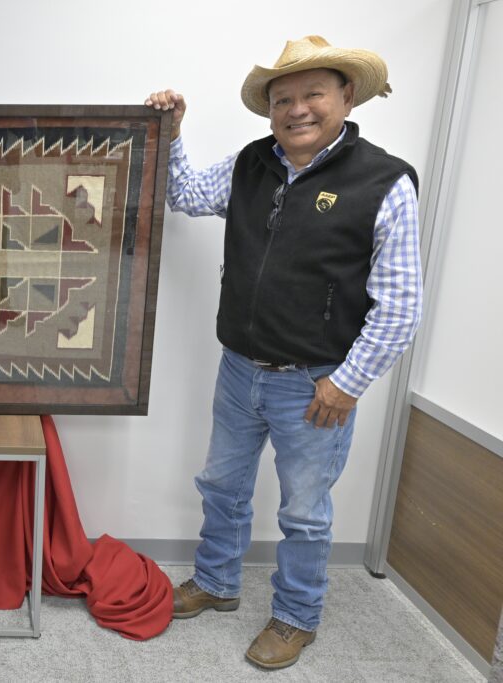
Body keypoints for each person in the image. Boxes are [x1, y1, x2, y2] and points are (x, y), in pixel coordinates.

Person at [145, 35, 422, 669]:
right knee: (222, 483)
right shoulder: (253, 162)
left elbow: (401, 305)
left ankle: (297, 617)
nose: (296, 109)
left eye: (312, 95)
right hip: (240, 368)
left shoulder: (384, 182)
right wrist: (174, 131)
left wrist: (348, 383)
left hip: (318, 385)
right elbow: (186, 194)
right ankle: (216, 583)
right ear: (270, 110)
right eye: (282, 100)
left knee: (304, 511)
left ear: (346, 97)